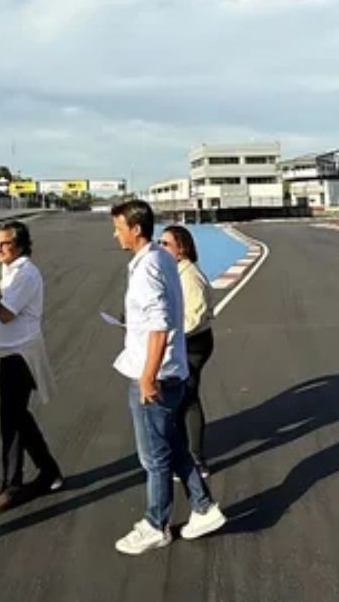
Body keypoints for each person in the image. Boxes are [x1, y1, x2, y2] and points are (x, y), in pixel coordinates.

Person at [109, 200, 226, 555]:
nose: (115, 234)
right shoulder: (161, 258)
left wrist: (147, 378)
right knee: (173, 445)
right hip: (171, 368)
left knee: (154, 457)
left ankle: (155, 524)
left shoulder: (147, 266)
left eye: (118, 228)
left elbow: (159, 326)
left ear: (135, 229)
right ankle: (203, 508)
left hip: (154, 373)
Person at [0, 220, 64, 515]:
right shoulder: (11, 270)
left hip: (19, 355)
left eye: (5, 243)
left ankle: (12, 485)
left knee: (11, 421)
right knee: (17, 417)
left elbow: (6, 314)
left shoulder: (25, 273)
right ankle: (49, 471)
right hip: (7, 353)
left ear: (20, 245)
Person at [159, 225, 214, 478]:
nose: (160, 247)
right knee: (182, 398)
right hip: (184, 341)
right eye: (159, 243)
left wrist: (167, 331)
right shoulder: (174, 271)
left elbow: (195, 316)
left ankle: (195, 459)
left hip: (193, 343)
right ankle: (186, 455)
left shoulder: (189, 276)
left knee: (188, 397)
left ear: (181, 248)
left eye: (166, 244)